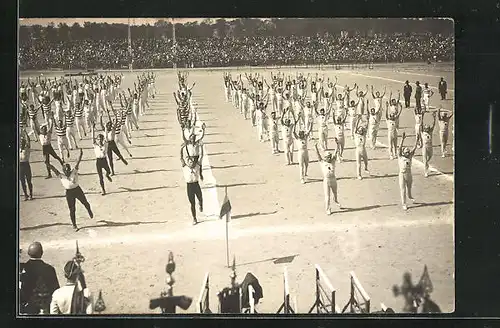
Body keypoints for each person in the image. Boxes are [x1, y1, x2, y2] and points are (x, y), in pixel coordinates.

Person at [47, 149, 94, 231]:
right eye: (66, 171)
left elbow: (78, 163)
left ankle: (89, 210)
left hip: (77, 190)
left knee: (85, 203)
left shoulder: (74, 171)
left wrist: (81, 155)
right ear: (64, 171)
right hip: (69, 193)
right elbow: (54, 169)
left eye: (68, 170)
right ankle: (74, 225)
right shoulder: (61, 175)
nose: (67, 172)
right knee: (72, 209)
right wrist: (48, 164)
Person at [20, 242, 60, 314]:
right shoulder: (49, 269)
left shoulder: (22, 268)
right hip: (46, 308)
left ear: (28, 253)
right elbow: (56, 290)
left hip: (27, 309)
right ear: (42, 253)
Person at [314, 141, 342, 215]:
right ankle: (328, 209)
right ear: (325, 157)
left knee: (335, 193)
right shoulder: (322, 162)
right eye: (328, 157)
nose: (329, 158)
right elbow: (318, 155)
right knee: (327, 196)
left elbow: (336, 152)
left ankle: (336, 200)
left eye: (330, 156)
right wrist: (315, 147)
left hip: (333, 179)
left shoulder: (333, 161)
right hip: (326, 180)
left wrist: (337, 144)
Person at [398, 132, 418, 210]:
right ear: (403, 152)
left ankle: (410, 196)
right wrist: (402, 139)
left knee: (409, 189)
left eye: (408, 151)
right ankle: (404, 204)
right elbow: (399, 148)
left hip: (409, 174)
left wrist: (417, 140)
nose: (407, 152)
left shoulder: (410, 157)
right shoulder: (400, 156)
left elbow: (414, 148)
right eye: (406, 151)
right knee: (403, 189)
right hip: (402, 174)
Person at [181, 154, 203, 226]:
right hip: (189, 186)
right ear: (188, 163)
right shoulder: (185, 167)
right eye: (190, 162)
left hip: (196, 184)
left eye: (192, 162)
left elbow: (201, 156)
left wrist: (201, 147)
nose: (191, 163)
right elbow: (181, 158)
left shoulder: (197, 166)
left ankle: (201, 204)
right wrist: (182, 148)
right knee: (192, 203)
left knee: (200, 198)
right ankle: (194, 218)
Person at [91, 124, 113, 195]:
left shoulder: (105, 145)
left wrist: (106, 128)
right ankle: (103, 190)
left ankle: (107, 175)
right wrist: (93, 128)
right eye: (98, 139)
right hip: (98, 161)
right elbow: (92, 137)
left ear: (103, 139)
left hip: (104, 160)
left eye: (101, 139)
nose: (99, 140)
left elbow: (106, 136)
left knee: (109, 171)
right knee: (100, 177)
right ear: (96, 140)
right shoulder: (95, 145)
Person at [293, 113, 313, 184]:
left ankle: (305, 173)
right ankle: (302, 178)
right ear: (299, 134)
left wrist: (311, 122)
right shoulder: (297, 138)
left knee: (307, 164)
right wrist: (296, 122)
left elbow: (310, 130)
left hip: (306, 151)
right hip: (300, 152)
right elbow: (293, 132)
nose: (302, 134)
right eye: (301, 133)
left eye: (302, 133)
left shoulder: (305, 137)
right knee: (301, 166)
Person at [353, 115, 370, 180]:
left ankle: (366, 168)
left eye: (361, 130)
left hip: (363, 149)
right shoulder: (356, 135)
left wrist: (367, 120)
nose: (360, 130)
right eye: (359, 129)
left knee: (366, 161)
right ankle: (359, 175)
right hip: (358, 150)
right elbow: (355, 127)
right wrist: (358, 120)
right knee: (358, 164)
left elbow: (367, 128)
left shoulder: (364, 135)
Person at [421, 112, 437, 177]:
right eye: (426, 128)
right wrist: (422, 116)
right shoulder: (422, 132)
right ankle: (426, 171)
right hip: (424, 147)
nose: (427, 129)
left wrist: (434, 118)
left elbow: (433, 124)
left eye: (428, 128)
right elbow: (421, 125)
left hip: (430, 146)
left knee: (430, 156)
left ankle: (426, 163)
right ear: (424, 128)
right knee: (424, 159)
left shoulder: (430, 132)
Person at [19, 130, 34, 201]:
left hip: (26, 165)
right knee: (22, 181)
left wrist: (25, 133)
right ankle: (25, 194)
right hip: (20, 166)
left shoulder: (27, 149)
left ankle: (31, 194)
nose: (21, 144)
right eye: (20, 143)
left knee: (28, 181)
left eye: (22, 143)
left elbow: (29, 141)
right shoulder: (18, 150)